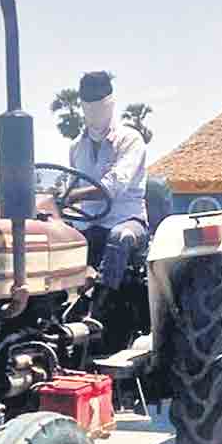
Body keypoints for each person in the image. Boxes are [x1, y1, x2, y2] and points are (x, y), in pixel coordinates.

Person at [63, 71, 148, 318]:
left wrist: (74, 196)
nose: (94, 111)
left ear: (110, 103)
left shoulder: (130, 139)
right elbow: (71, 187)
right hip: (89, 223)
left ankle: (98, 309)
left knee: (119, 238)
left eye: (99, 104)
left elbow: (114, 184)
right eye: (88, 105)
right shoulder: (76, 147)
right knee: (55, 237)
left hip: (128, 221)